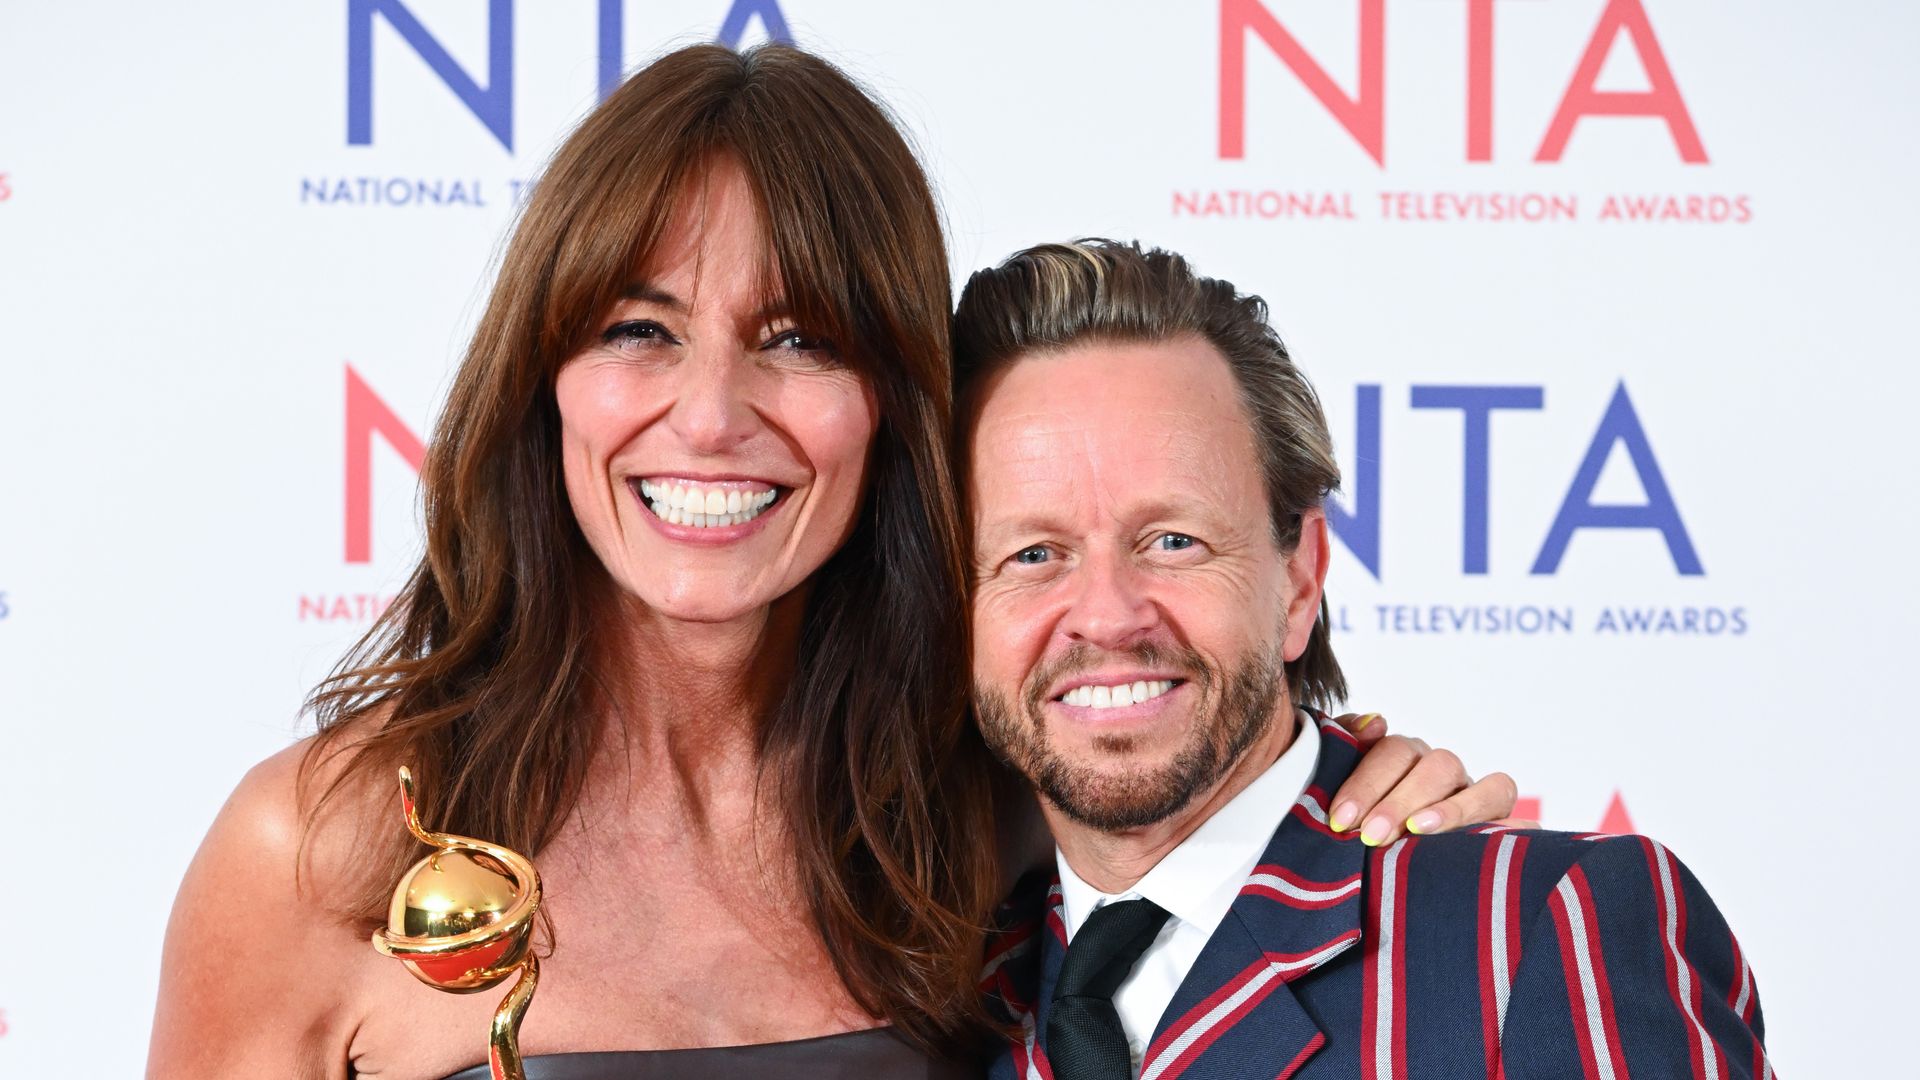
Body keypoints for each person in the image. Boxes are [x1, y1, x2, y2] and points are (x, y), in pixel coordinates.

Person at [146, 47, 1517, 1080]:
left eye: (799, 338)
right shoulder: (323, 851)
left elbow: (1250, 842)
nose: (710, 415)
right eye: (639, 327)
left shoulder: (988, 811)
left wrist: (1369, 801)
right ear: (544, 378)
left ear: (891, 405)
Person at [956, 239, 1773, 1080]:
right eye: (1032, 554)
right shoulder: (938, 992)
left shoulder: (1537, 929)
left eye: (1174, 540)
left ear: (1301, 577)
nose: (1107, 615)